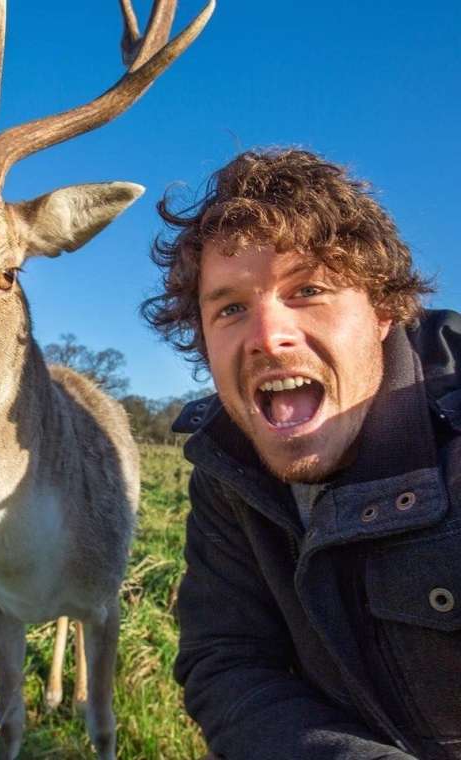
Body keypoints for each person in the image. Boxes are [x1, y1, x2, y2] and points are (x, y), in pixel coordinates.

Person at [143, 149, 461, 760]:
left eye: (309, 289)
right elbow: (226, 659)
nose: (267, 335)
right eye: (231, 307)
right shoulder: (226, 469)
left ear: (384, 312)